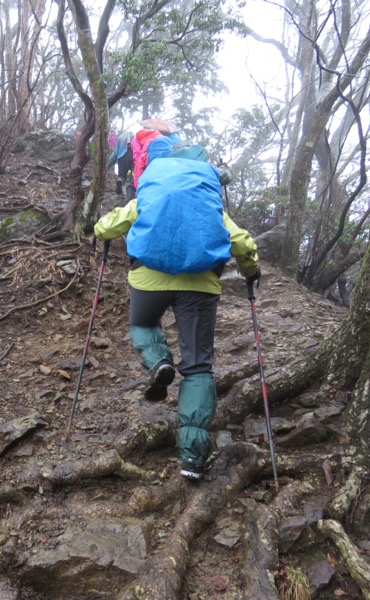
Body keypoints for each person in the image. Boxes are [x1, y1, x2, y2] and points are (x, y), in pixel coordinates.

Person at [93, 130, 260, 481]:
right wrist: (251, 272)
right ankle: (192, 460)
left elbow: (110, 224)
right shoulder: (207, 196)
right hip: (200, 286)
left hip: (149, 280)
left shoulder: (153, 186)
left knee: (142, 326)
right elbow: (242, 241)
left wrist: (101, 231)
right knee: (198, 368)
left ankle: (158, 362)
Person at [107, 131, 135, 198]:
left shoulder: (119, 139)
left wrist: (107, 166)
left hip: (121, 158)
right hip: (132, 156)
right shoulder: (134, 137)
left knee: (122, 176)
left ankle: (120, 181)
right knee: (133, 176)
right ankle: (130, 195)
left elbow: (114, 155)